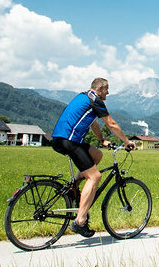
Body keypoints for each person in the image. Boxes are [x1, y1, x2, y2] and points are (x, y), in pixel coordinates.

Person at [51, 77, 135, 237]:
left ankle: (74, 186)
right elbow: (111, 124)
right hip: (70, 141)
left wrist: (102, 140)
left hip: (60, 139)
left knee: (97, 155)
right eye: (107, 89)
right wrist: (126, 141)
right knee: (95, 177)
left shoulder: (83, 97)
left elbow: (93, 123)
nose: (108, 92)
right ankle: (80, 221)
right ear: (100, 89)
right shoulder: (95, 101)